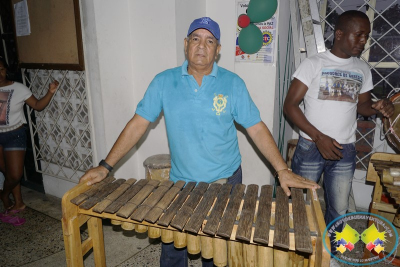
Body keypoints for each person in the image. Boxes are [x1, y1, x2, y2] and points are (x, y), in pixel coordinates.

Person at [81, 17, 319, 267]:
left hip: (224, 181)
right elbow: (138, 124)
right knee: (173, 251)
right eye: (196, 39)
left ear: (218, 50)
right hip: (181, 183)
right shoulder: (164, 81)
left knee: (215, 253)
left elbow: (256, 129)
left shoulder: (232, 84)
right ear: (186, 44)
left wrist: (282, 170)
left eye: (210, 41)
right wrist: (105, 166)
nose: (202, 46)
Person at [283, 10, 394, 255]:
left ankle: (333, 254)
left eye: (366, 36)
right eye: (359, 35)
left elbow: (362, 105)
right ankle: (302, 252)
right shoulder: (314, 63)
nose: (364, 41)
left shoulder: (362, 69)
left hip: (345, 149)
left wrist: (376, 107)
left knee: (339, 208)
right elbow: (289, 106)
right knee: (303, 206)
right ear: (340, 34)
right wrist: (318, 137)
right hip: (311, 147)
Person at [0, 57, 59, 221]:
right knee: (6, 172)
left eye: (1, 69)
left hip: (14, 135)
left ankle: (4, 196)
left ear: (6, 69)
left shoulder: (18, 88)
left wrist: (50, 92)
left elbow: (38, 106)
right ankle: (19, 203)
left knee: (15, 175)